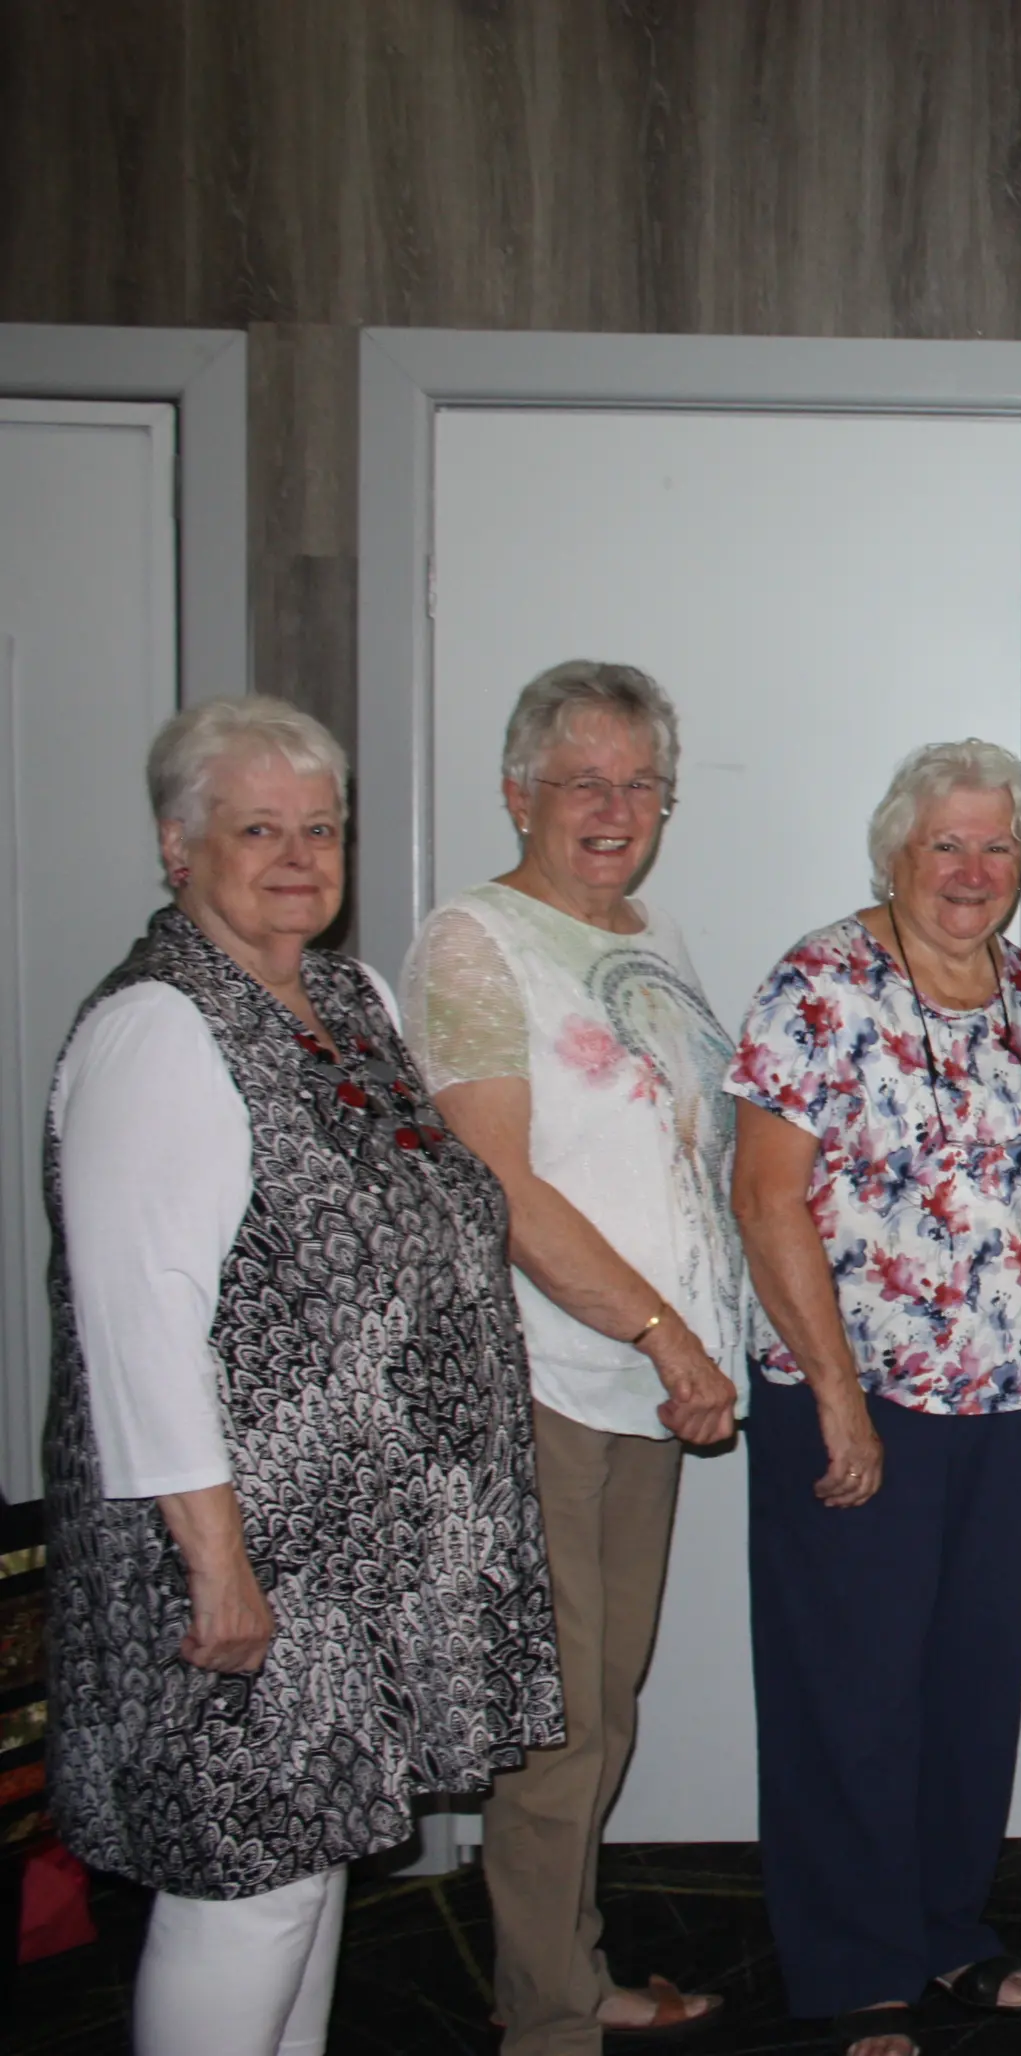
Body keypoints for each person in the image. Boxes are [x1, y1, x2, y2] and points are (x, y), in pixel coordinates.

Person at [45, 697, 559, 2056]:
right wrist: (215, 1562)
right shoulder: (162, 1028)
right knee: (249, 1886)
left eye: (318, 829)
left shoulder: (347, 997)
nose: (295, 856)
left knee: (307, 1871)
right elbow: (139, 1322)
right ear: (178, 846)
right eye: (255, 828)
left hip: (348, 1555)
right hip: (234, 1544)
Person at [403, 661, 741, 2053]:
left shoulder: (648, 934)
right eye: (582, 780)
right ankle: (544, 2017)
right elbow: (503, 1186)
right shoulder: (475, 944)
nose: (615, 807)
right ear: (516, 791)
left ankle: (570, 1970)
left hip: (644, 1397)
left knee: (601, 1709)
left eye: (639, 782)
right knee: (556, 1726)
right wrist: (662, 1328)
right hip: (545, 1383)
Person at [729, 740, 1021, 2056]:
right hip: (852, 1395)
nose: (973, 872)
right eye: (948, 846)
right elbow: (766, 1198)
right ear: (895, 854)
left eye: (996, 849)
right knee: (851, 1689)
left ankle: (946, 1926)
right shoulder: (820, 984)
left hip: (1000, 1405)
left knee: (967, 1686)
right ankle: (852, 1960)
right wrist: (834, 1396)